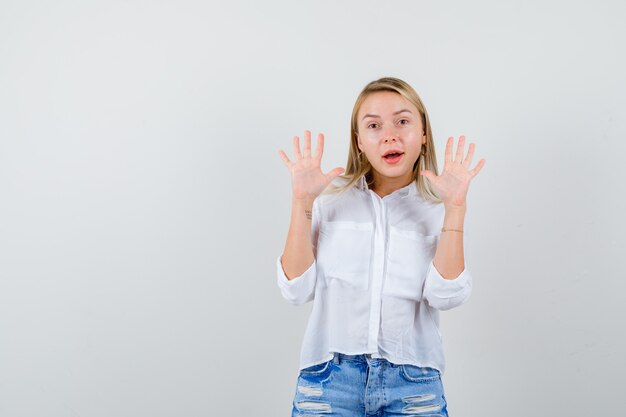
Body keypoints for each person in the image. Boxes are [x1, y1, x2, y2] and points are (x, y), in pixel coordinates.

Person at [276, 77, 485, 417]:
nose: (390, 135)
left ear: (423, 134)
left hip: (413, 385)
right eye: (374, 125)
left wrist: (456, 209)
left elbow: (446, 295)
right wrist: (302, 201)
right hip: (329, 382)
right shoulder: (329, 203)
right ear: (359, 142)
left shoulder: (437, 208)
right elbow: (295, 289)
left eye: (403, 121)